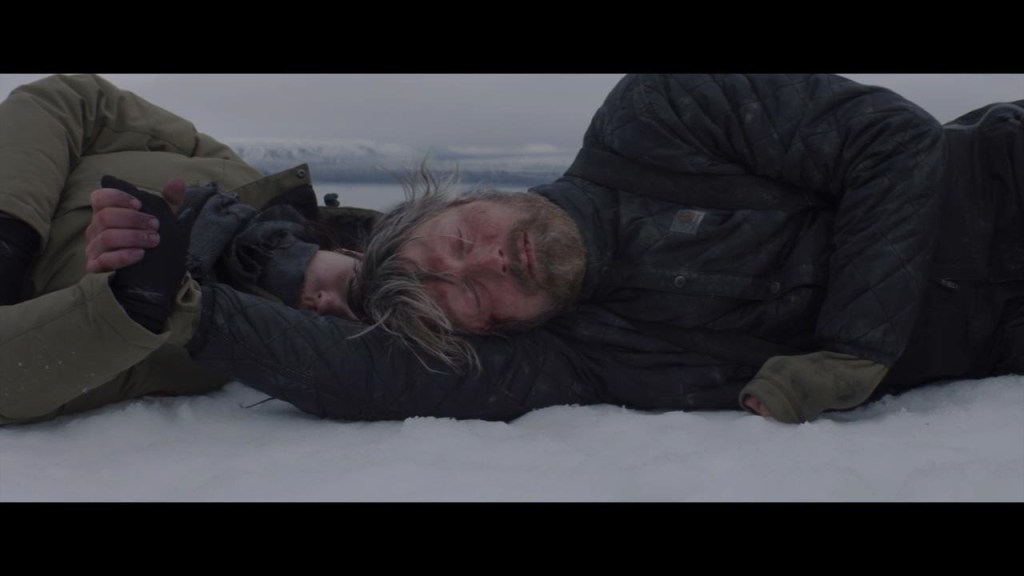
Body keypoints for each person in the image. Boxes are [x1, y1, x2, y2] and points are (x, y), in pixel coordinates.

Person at [91, 73, 1024, 425]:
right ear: (489, 332)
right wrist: (187, 308)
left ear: (469, 197)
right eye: (467, 297)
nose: (491, 264)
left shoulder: (656, 116)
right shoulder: (579, 354)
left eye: (464, 240)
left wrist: (852, 349)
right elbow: (378, 378)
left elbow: (891, 141)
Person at [0, 73, 374, 425]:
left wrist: (132, 304)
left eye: (346, 323)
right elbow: (72, 99)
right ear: (355, 251)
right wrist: (12, 225)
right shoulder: (243, 179)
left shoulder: (194, 347)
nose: (326, 305)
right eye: (354, 293)